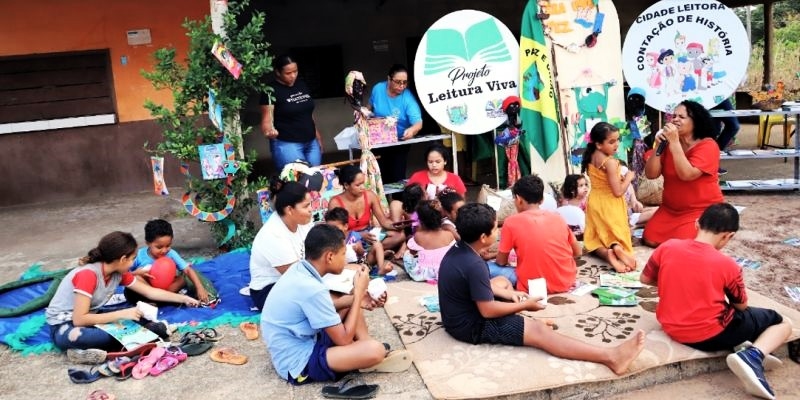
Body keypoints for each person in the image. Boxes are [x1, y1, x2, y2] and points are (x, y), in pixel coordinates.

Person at [438, 203, 645, 375]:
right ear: (483, 237)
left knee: (502, 281)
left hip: (456, 314)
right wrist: (524, 306)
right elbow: (487, 311)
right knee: (539, 332)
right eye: (494, 229)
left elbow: (479, 286)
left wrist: (510, 294)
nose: (498, 231)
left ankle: (524, 321)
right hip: (471, 326)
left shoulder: (462, 250)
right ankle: (611, 357)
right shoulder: (473, 265)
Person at [640, 203, 791, 400]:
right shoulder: (728, 265)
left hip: (670, 326)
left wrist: (674, 281)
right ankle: (752, 357)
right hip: (709, 335)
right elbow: (741, 306)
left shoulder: (668, 246)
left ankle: (745, 347)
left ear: (696, 224)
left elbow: (645, 279)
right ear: (729, 236)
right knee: (781, 322)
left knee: (738, 317)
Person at [262, 224, 411, 385]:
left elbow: (325, 307)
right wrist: (359, 292)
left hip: (302, 339)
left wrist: (359, 299)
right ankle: (364, 354)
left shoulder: (301, 269)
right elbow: (344, 340)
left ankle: (362, 346)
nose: (346, 258)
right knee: (375, 350)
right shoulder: (311, 288)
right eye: (343, 253)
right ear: (329, 257)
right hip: (298, 362)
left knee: (351, 301)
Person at [46, 232, 199, 351]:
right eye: (132, 259)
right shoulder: (88, 275)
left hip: (92, 317)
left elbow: (150, 292)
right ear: (122, 259)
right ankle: (145, 334)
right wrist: (122, 314)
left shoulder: (118, 273)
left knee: (135, 317)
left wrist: (184, 299)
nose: (133, 264)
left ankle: (143, 333)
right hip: (64, 325)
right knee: (103, 337)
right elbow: (79, 320)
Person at [643, 100, 724, 247]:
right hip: (670, 209)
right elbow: (651, 174)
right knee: (650, 238)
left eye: (681, 117)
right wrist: (658, 146)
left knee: (684, 244)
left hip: (700, 209)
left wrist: (674, 143)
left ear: (695, 122)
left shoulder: (708, 145)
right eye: (674, 116)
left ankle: (713, 230)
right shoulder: (667, 143)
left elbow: (687, 174)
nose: (675, 120)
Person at [496, 175, 581, 294]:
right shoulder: (558, 218)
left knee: (489, 268)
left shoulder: (510, 222)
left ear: (519, 199)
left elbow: (501, 261)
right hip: (566, 281)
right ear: (542, 200)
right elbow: (577, 252)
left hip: (533, 286)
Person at [248, 181, 314, 311]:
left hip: (296, 279)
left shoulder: (304, 221)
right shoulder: (273, 234)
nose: (311, 209)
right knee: (320, 298)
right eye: (306, 206)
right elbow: (296, 276)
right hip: (268, 290)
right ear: (289, 209)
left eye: (310, 204)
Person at [581, 122, 637, 273]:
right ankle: (618, 249)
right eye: (611, 142)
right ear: (599, 144)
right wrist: (629, 178)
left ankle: (608, 254)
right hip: (610, 204)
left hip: (595, 201)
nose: (616, 144)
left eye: (617, 140)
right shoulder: (610, 162)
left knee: (597, 237)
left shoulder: (592, 156)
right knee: (616, 234)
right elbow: (618, 191)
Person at [260, 54, 323, 173]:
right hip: (287, 144)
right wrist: (269, 131)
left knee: (315, 179)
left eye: (295, 71)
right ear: (278, 72)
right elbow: (266, 119)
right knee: (296, 183)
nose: (293, 76)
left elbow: (308, 114)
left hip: (311, 142)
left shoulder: (301, 84)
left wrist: (317, 135)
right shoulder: (270, 90)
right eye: (288, 73)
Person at [125, 219, 213, 305]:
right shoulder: (139, 255)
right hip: (147, 289)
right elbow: (125, 275)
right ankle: (159, 301)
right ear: (148, 243)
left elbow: (187, 270)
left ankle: (157, 301)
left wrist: (200, 288)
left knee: (182, 279)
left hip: (167, 289)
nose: (164, 250)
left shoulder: (171, 254)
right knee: (134, 280)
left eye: (168, 245)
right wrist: (137, 272)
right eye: (159, 247)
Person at [369, 64, 423, 183]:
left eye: (405, 82)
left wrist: (412, 130)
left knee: (397, 176)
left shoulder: (407, 98)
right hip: (379, 140)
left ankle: (397, 200)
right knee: (379, 175)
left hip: (399, 140)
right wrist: (364, 114)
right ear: (389, 79)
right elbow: (370, 108)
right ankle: (383, 201)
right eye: (398, 82)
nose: (402, 86)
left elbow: (418, 123)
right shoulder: (378, 89)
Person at [329, 165, 403, 252]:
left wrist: (397, 226)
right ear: (346, 185)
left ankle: (370, 252)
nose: (363, 187)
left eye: (363, 183)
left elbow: (384, 222)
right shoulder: (335, 203)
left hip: (369, 234)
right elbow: (335, 234)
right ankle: (373, 252)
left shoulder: (370, 195)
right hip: (349, 238)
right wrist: (358, 235)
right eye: (358, 185)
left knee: (400, 236)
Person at [324, 207, 392, 275]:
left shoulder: (353, 236)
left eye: (335, 228)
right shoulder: (329, 240)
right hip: (345, 266)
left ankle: (381, 268)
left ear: (345, 226)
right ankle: (382, 256)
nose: (332, 230)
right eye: (329, 228)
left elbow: (361, 253)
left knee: (377, 244)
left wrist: (358, 249)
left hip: (361, 262)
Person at [403, 200, 456, 282]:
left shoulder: (418, 236)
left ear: (421, 221)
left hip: (425, 273)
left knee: (406, 255)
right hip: (447, 270)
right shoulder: (449, 234)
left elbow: (412, 253)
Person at [712, 97, 740, 174]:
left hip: (721, 95)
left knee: (734, 126)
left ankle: (714, 154)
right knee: (713, 130)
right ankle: (712, 164)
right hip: (704, 95)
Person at [557, 174, 588, 240]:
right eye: (581, 186)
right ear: (572, 190)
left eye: (586, 184)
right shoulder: (566, 202)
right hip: (568, 230)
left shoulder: (586, 202)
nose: (585, 187)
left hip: (583, 231)